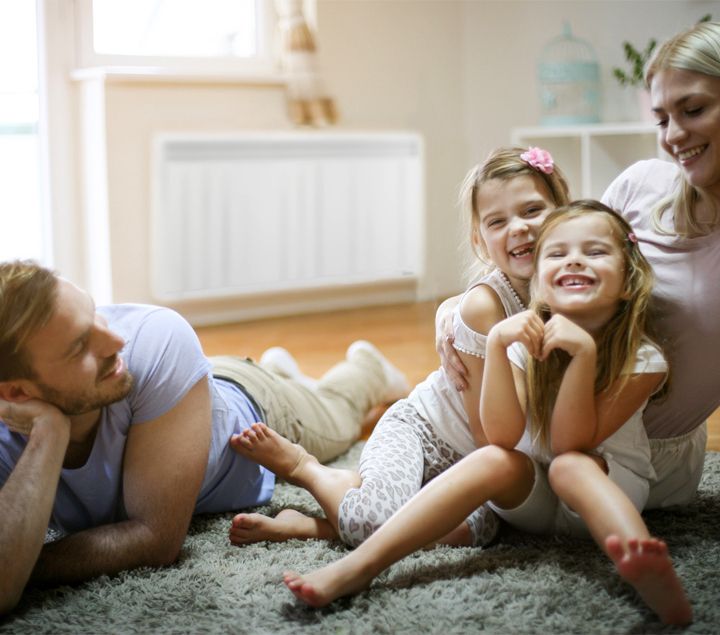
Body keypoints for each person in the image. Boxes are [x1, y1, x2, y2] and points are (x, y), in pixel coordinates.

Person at [281, 201, 693, 626]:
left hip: (607, 488)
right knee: (495, 460)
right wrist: (497, 345)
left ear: (627, 282)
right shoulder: (522, 344)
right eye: (557, 253)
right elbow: (500, 435)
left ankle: (644, 567)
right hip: (535, 499)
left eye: (594, 252)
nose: (574, 259)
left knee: (571, 466)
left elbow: (570, 442)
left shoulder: (642, 358)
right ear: (539, 285)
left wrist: (584, 354)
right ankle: (361, 567)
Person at [0, 259, 408, 615]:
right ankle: (283, 370)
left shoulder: (156, 335)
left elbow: (156, 540)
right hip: (182, 400)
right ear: (17, 393)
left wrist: (20, 564)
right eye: (78, 347)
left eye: (95, 315)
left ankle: (366, 369)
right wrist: (49, 434)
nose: (116, 341)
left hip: (254, 411)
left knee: (338, 415)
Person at [438, 20, 720, 511]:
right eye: (660, 119)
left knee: (469, 514)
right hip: (545, 424)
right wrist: (457, 315)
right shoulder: (641, 184)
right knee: (436, 482)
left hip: (643, 462)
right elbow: (550, 266)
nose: (673, 136)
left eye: (693, 109)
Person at [227, 146, 570, 549]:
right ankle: (310, 470)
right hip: (423, 434)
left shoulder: (571, 289)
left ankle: (318, 524)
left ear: (564, 210)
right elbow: (491, 437)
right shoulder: (485, 306)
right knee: (372, 523)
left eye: (532, 211)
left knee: (482, 532)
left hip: (469, 466)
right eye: (498, 221)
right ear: (480, 240)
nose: (518, 228)